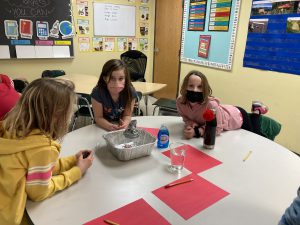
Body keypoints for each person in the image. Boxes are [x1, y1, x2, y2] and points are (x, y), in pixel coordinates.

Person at [0, 78, 94, 225]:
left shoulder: (9, 126)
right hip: (12, 216)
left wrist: (71, 161)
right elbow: (39, 192)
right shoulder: (43, 148)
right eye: (69, 112)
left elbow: (34, 169)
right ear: (56, 116)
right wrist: (77, 171)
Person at [176, 70, 271, 139]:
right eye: (191, 86)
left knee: (256, 137)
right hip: (224, 111)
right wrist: (192, 124)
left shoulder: (211, 105)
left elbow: (217, 129)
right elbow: (186, 118)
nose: (195, 90)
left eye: (199, 87)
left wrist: (197, 132)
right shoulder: (180, 102)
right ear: (185, 87)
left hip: (237, 116)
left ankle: (256, 112)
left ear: (204, 89)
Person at [91, 59, 137, 131]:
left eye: (121, 79)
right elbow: (98, 118)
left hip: (120, 127)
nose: (116, 84)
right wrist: (110, 126)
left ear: (126, 79)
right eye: (112, 78)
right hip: (102, 126)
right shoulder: (97, 92)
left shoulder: (130, 92)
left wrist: (125, 123)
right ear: (105, 78)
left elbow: (127, 115)